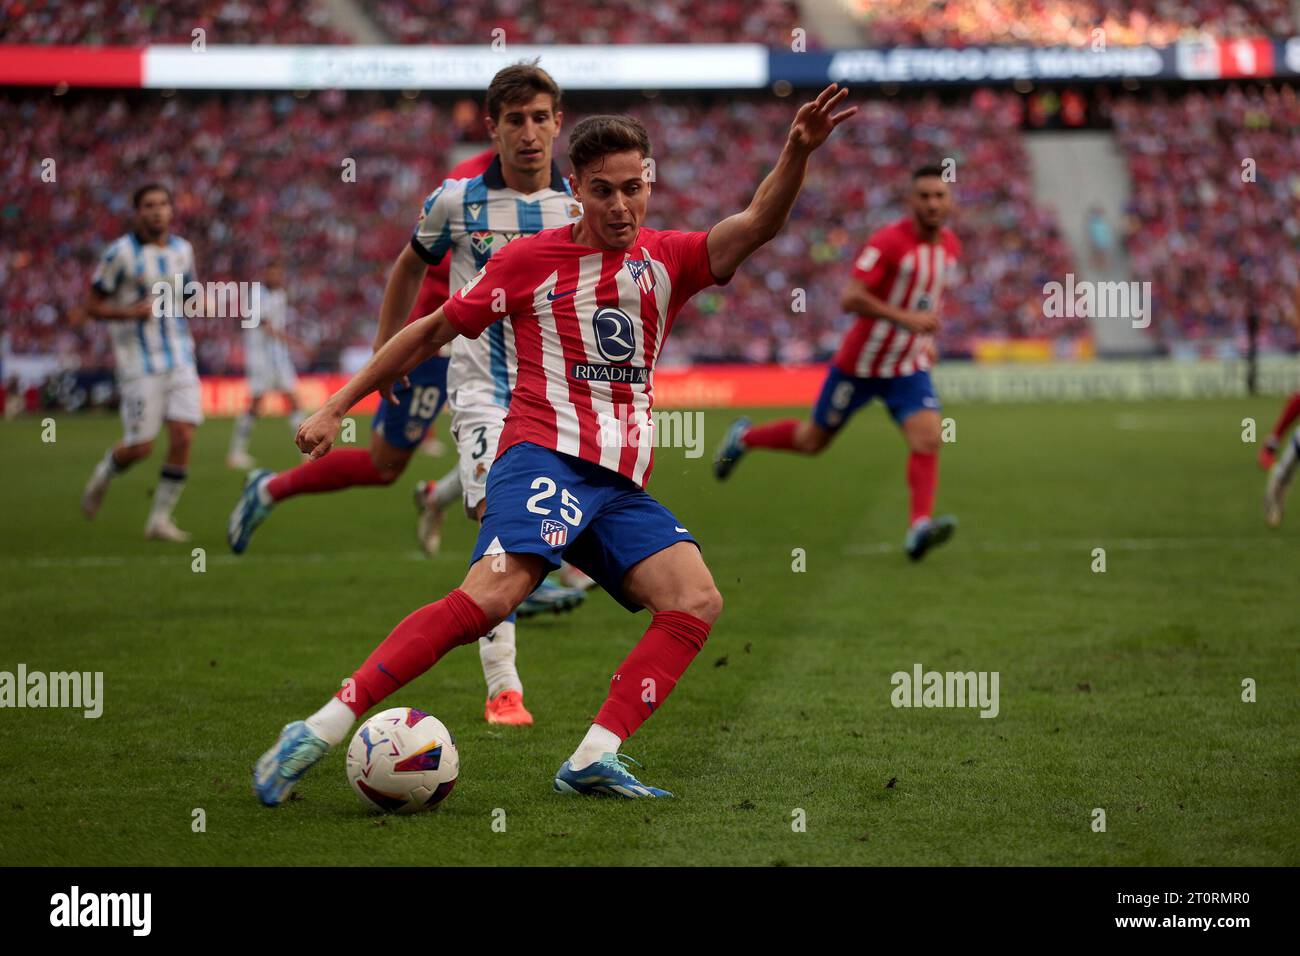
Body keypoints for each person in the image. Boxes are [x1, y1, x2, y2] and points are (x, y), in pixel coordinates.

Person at [251, 84, 857, 804]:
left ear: (650, 182)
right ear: (576, 189)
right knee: (492, 597)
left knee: (694, 600)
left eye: (634, 189)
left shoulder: (669, 259)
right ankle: (318, 729)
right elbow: (433, 330)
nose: (621, 207)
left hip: (615, 485)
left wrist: (796, 150)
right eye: (602, 191)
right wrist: (338, 405)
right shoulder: (529, 261)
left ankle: (592, 758)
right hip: (540, 459)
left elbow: (758, 222)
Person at [230, 65, 587, 726]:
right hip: (475, 385)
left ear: (559, 122)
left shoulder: (581, 209)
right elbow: (408, 265)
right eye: (516, 120)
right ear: (492, 127)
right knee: (495, 520)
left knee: (454, 491)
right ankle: (504, 687)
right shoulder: (456, 200)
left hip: (558, 397)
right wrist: (383, 351)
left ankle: (515, 559)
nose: (530, 133)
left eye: (541, 118)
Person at [713, 165, 959, 561]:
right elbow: (851, 297)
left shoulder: (949, 246)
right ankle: (744, 438)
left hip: (906, 367)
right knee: (813, 441)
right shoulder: (889, 243)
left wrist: (924, 339)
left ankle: (919, 527)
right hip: (859, 367)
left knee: (928, 438)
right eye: (925, 196)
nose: (932, 203)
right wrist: (906, 319)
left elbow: (929, 301)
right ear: (911, 201)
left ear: (949, 202)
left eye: (939, 196)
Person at [80, 183, 203, 542]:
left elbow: (190, 295)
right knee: (141, 447)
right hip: (139, 363)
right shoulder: (120, 254)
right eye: (149, 205)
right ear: (137, 212)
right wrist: (126, 313)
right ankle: (104, 474)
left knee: (183, 435)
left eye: (163, 204)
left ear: (171, 209)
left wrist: (201, 303)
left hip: (180, 355)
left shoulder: (183, 250)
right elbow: (91, 306)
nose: (157, 211)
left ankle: (159, 520)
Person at [227, 261, 305, 469]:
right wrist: (296, 343)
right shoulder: (256, 294)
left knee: (294, 399)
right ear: (266, 274)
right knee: (256, 403)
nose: (276, 277)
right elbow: (266, 326)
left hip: (279, 357)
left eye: (279, 273)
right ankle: (236, 453)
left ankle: (307, 450)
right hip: (260, 358)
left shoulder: (280, 294)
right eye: (273, 273)